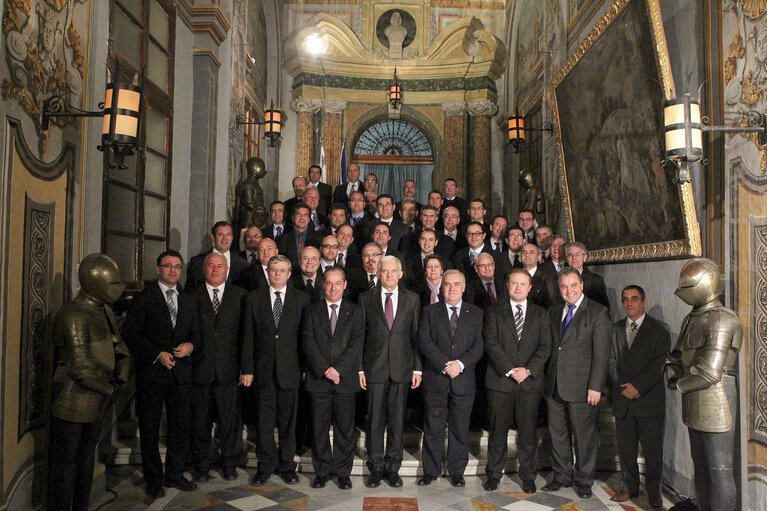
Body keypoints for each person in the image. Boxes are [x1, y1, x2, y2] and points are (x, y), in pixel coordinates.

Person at [48, 254, 130, 511]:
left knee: (85, 464)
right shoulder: (73, 315)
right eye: (112, 283)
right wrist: (110, 390)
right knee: (65, 467)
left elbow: (119, 348)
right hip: (72, 402)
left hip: (98, 399)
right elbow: (80, 367)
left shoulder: (102, 309)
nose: (117, 289)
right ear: (95, 283)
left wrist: (122, 377)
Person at [122, 250, 200, 498]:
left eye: (177, 266)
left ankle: (175, 475)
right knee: (150, 428)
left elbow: (197, 334)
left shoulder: (188, 300)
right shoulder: (144, 298)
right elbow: (131, 334)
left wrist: (191, 346)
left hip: (181, 374)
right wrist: (157, 354)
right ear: (158, 269)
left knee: (180, 427)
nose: (173, 270)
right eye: (168, 266)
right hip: (152, 373)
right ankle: (153, 478)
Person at [666, 258, 742, 511]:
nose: (682, 291)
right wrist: (670, 368)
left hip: (716, 397)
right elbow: (678, 355)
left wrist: (677, 384)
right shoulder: (692, 317)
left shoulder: (722, 319)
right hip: (693, 396)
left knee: (720, 469)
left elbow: (710, 373)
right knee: (700, 465)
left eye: (687, 285)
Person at [543, 267, 611, 499]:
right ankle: (561, 474)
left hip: (583, 388)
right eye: (564, 286)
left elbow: (602, 355)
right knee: (558, 434)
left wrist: (596, 386)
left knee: (584, 436)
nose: (568, 291)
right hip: (554, 385)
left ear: (581, 285)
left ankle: (583, 479)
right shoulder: (554, 311)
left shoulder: (598, 312)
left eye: (573, 285)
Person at [244, 255, 310, 486]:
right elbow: (247, 337)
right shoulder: (254, 299)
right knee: (263, 422)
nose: (278, 274)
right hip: (262, 372)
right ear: (267, 272)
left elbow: (305, 338)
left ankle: (287, 466)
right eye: (274, 270)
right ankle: (265, 466)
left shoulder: (301, 299)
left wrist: (305, 368)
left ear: (289, 273)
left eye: (282, 270)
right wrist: (247, 369)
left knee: (288, 423)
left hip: (290, 370)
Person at [483, 268, 551, 493]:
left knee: (528, 433)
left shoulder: (541, 314)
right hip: (501, 382)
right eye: (514, 283)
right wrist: (511, 370)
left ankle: (528, 476)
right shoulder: (494, 312)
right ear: (507, 285)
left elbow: (545, 347)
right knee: (498, 432)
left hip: (529, 383)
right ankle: (493, 474)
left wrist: (528, 370)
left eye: (523, 284)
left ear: (530, 288)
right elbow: (491, 344)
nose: (518, 287)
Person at [359, 255, 422, 488]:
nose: (388, 275)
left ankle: (393, 468)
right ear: (377, 273)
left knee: (396, 421)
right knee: (375, 420)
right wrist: (359, 370)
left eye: (393, 271)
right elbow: (360, 338)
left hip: (402, 369)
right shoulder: (365, 299)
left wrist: (418, 368)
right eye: (384, 271)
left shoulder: (412, 299)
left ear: (400, 273)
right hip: (374, 369)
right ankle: (375, 467)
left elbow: (416, 336)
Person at [417, 270, 484, 488]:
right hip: (436, 379)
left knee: (459, 428)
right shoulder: (429, 311)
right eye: (447, 284)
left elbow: (478, 346)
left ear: (464, 287)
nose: (452, 288)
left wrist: (460, 364)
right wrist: (446, 365)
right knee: (433, 427)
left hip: (463, 381)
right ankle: (431, 470)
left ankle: (456, 471)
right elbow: (425, 342)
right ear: (441, 288)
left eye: (456, 284)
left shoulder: (475, 313)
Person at [190, 253, 253, 483]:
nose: (215, 270)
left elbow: (246, 336)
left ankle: (229, 463)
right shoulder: (192, 296)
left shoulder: (240, 296)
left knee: (230, 421)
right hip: (200, 368)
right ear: (204, 269)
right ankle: (203, 464)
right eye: (211, 266)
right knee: (200, 422)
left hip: (229, 369)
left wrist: (246, 368)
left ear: (227, 270)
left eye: (220, 266)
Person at [301, 267, 364, 490]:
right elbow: (308, 342)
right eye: (329, 283)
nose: (333, 288)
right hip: (319, 379)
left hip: (344, 380)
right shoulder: (311, 310)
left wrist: (338, 369)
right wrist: (325, 369)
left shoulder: (355, 311)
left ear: (345, 285)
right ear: (323, 285)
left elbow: (356, 344)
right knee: (318, 429)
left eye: (338, 283)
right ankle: (322, 472)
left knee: (345, 430)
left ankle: (343, 472)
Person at [608, 285, 669, 508]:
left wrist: (638, 387)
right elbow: (610, 361)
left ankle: (654, 492)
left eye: (634, 299)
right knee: (626, 450)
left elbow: (658, 364)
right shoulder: (615, 329)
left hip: (648, 400)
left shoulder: (658, 330)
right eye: (625, 299)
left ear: (643, 301)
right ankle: (629, 487)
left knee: (652, 451)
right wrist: (624, 386)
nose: (629, 303)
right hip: (623, 398)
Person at [186, 221, 249, 290]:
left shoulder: (243, 264)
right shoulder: (197, 262)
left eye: (228, 234)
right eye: (220, 234)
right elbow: (189, 292)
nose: (225, 238)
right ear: (213, 237)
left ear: (232, 238)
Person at [565, 242, 610, 310]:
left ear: (585, 257)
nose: (574, 257)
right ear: (566, 258)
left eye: (578, 254)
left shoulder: (596, 281)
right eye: (570, 254)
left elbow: (603, 307)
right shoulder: (558, 279)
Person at [277, 202, 322, 268]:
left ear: (309, 219)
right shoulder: (282, 239)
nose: (302, 218)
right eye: (299, 214)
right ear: (293, 218)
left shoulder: (319, 238)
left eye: (305, 215)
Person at [521, 242, 558, 309]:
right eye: (524, 252)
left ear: (538, 257)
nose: (527, 255)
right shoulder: (514, 276)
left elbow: (552, 303)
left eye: (531, 252)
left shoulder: (548, 278)